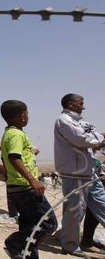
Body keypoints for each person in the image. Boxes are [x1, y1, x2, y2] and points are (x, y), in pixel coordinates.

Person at [0, 100, 57, 259]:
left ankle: (26, 255)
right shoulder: (16, 134)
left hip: (17, 187)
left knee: (29, 225)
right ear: (23, 116)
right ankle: (14, 243)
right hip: (25, 188)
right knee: (48, 223)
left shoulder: (9, 134)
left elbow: (6, 159)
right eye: (27, 114)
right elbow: (14, 157)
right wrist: (32, 180)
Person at [54, 93, 105, 258]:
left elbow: (95, 135)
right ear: (70, 104)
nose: (83, 104)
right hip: (75, 174)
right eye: (80, 102)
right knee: (75, 210)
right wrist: (96, 141)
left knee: (102, 204)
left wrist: (97, 140)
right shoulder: (64, 120)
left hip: (90, 172)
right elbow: (81, 139)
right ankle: (69, 245)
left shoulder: (82, 121)